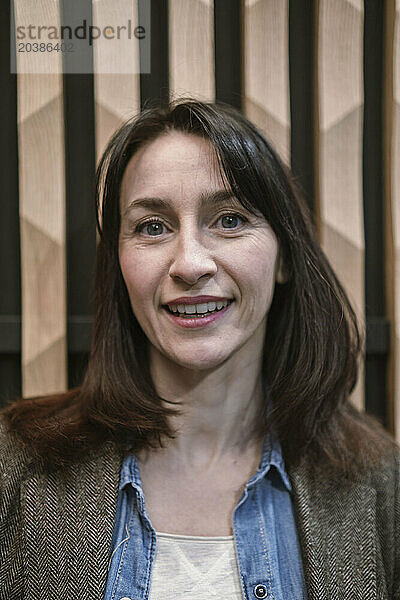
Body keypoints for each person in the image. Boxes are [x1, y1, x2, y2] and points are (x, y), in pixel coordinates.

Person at [0, 100, 399, 600]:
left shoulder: (377, 481)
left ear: (284, 259)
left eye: (230, 220)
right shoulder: (16, 462)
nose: (190, 263)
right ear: (119, 269)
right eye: (152, 227)